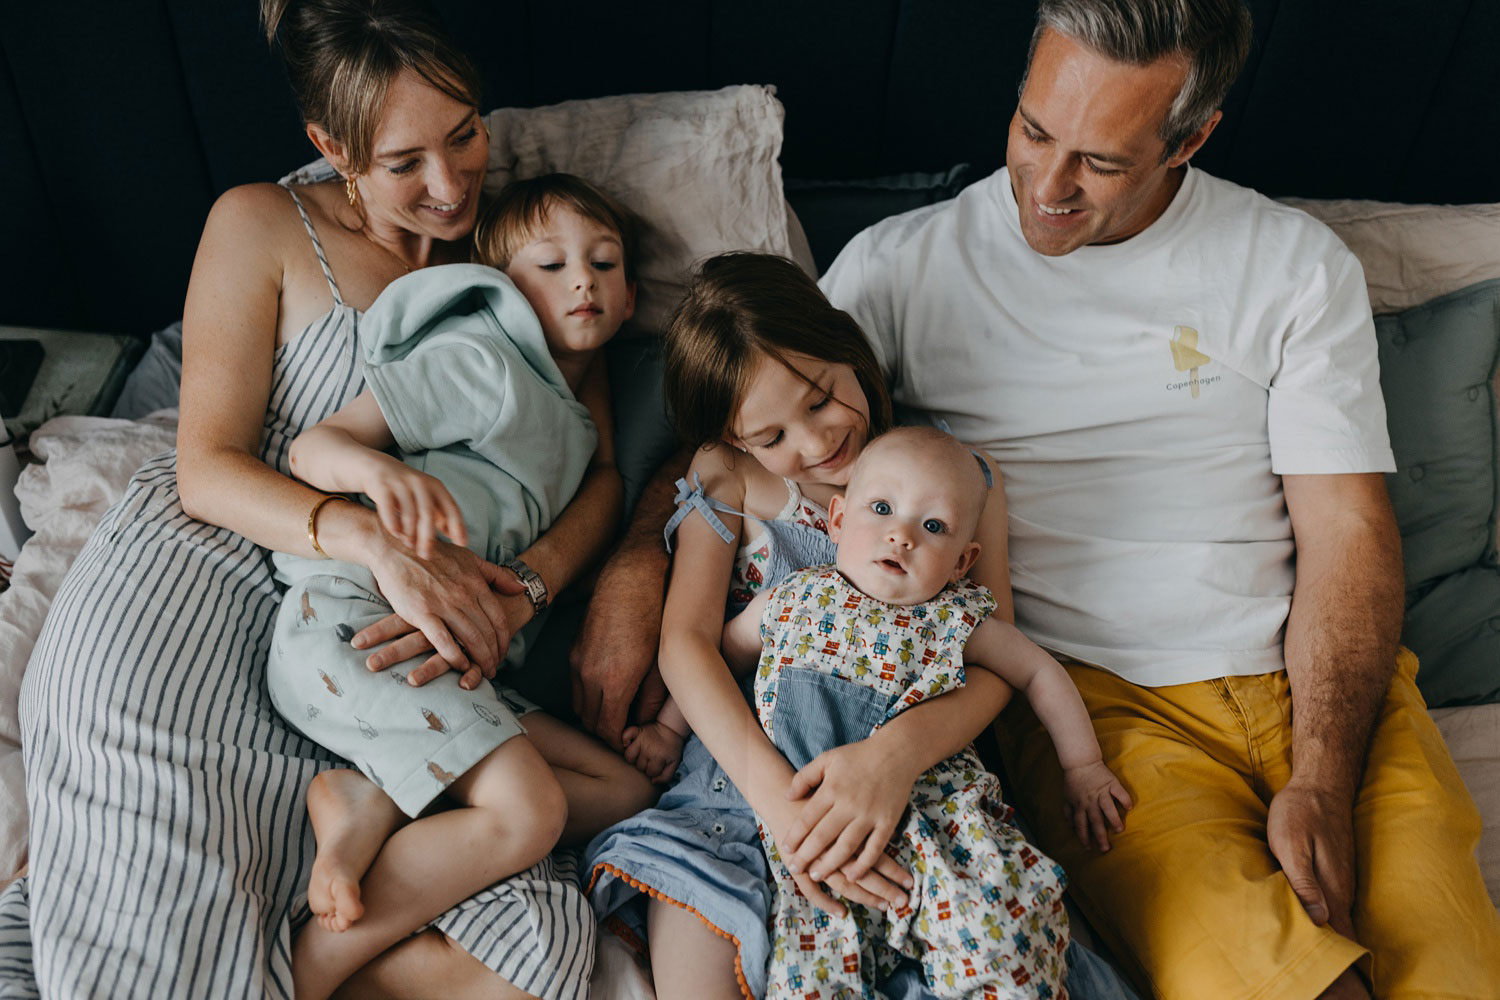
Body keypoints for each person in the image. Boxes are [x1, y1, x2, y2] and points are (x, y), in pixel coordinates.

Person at [815, 2, 1500, 998]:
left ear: (1192, 139)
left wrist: (1319, 774)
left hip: (1325, 684)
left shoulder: (1293, 263)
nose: (1046, 186)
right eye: (1033, 130)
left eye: (1097, 161)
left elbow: (1348, 529)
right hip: (1101, 716)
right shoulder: (899, 267)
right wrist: (625, 567)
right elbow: (751, 422)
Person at [4, 3, 629, 997]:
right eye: (403, 161)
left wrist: (528, 588)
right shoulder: (260, 224)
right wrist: (370, 542)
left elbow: (596, 470)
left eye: (466, 133)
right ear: (330, 147)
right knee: (149, 853)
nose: (450, 181)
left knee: (505, 924)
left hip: (388, 620)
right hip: (207, 563)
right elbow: (205, 465)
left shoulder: (524, 254)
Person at [585, 253, 1140, 1000]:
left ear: (848, 347)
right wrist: (778, 803)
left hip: (919, 781)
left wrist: (894, 758)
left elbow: (998, 660)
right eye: (772, 435)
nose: (814, 445)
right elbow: (688, 646)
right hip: (742, 777)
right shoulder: (728, 476)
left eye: (819, 400)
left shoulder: (957, 476)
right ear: (737, 438)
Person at [269, 173, 655, 1000]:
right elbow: (312, 450)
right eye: (549, 265)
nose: (582, 278)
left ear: (632, 300)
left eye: (604, 262)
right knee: (530, 813)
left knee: (621, 791)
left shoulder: (577, 419)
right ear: (504, 289)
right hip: (358, 617)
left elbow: (609, 480)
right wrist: (374, 474)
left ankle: (375, 796)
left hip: (457, 655)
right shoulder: (480, 361)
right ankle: (312, 967)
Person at [720, 426, 1131, 999]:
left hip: (942, 829)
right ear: (836, 521)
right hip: (823, 840)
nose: (901, 534)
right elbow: (723, 656)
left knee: (1002, 940)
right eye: (882, 508)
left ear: (964, 560)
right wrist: (666, 730)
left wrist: (1083, 766)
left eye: (932, 525)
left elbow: (1038, 672)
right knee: (812, 977)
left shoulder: (958, 617)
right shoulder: (790, 598)